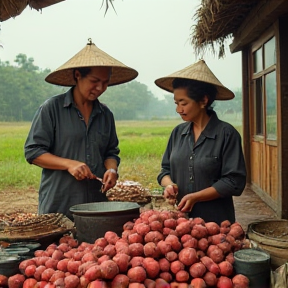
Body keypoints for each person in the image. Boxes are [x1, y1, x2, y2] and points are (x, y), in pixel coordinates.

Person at [24, 39, 138, 220]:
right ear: (78, 75)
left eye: (105, 83)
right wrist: (69, 164)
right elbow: (33, 152)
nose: (100, 88)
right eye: (94, 81)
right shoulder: (52, 108)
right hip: (59, 204)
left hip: (96, 206)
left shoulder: (105, 114)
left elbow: (111, 152)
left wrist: (112, 170)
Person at [154, 59, 246, 225]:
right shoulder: (177, 133)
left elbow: (234, 182)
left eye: (184, 103)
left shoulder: (227, 134)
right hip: (180, 223)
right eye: (176, 103)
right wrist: (169, 186)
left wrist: (196, 197)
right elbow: (164, 170)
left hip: (216, 224)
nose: (178, 109)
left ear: (204, 101)